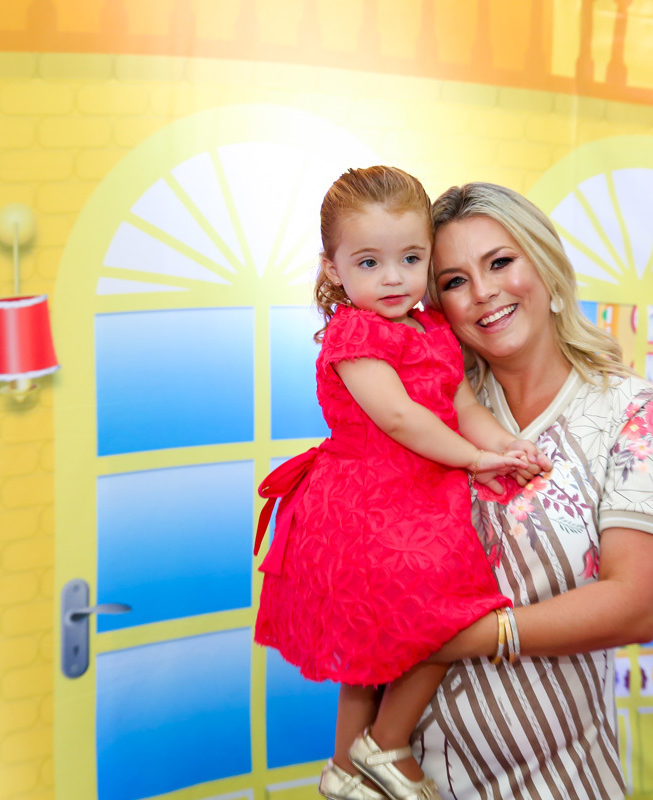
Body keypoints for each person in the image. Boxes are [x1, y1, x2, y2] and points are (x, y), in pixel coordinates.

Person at [253, 167, 550, 800]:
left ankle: (343, 769)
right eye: (369, 262)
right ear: (333, 269)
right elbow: (398, 417)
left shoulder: (433, 328)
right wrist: (474, 459)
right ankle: (383, 744)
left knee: (380, 639)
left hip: (419, 494)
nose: (393, 278)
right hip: (367, 501)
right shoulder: (355, 332)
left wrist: (503, 443)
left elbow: (462, 405)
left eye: (411, 259)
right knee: (440, 615)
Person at [414, 182, 653, 799]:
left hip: (561, 778)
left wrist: (463, 637)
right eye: (455, 280)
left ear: (545, 265)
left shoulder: (635, 413)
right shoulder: (422, 414)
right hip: (412, 774)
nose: (482, 292)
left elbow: (637, 603)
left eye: (500, 262)